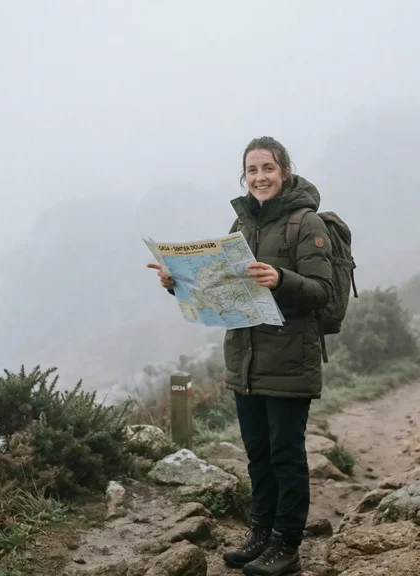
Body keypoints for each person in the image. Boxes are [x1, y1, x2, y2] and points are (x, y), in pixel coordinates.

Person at [148, 136, 333, 575]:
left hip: (289, 360)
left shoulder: (307, 224)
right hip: (246, 360)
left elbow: (322, 292)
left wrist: (280, 278)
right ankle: (261, 534)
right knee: (258, 454)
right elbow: (220, 287)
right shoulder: (240, 226)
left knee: (286, 456)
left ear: (284, 171)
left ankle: (287, 547)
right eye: (252, 170)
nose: (260, 177)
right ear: (244, 176)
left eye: (268, 168)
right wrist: (178, 283)